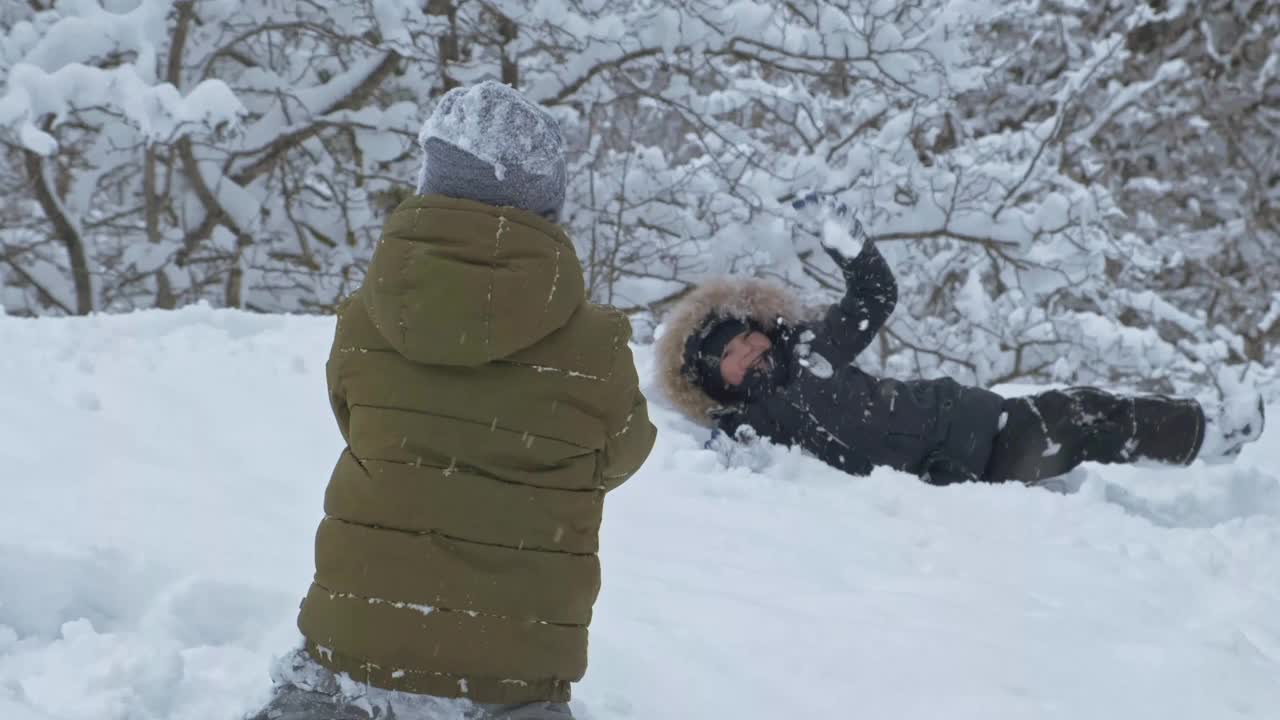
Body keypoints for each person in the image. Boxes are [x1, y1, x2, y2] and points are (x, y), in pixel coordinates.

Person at [252, 81, 657, 720]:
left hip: (354, 645)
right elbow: (621, 454)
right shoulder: (596, 346)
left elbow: (354, 420)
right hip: (512, 669)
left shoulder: (365, 321)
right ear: (544, 205)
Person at [656, 194, 1264, 486]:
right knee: (1078, 426)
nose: (749, 355)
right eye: (730, 359)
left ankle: (1209, 434)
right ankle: (1206, 437)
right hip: (954, 475)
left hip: (974, 422)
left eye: (746, 342)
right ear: (716, 381)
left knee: (1082, 413)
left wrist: (851, 247)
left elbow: (875, 298)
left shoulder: (810, 349)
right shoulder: (749, 427)